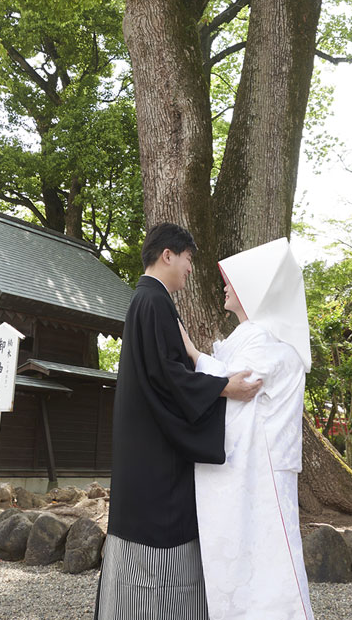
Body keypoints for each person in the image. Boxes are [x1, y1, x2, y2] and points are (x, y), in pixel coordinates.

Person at [95, 222, 263, 620]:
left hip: (145, 446)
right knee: (161, 537)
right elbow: (168, 379)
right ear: (167, 254)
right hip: (155, 455)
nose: (190, 269)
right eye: (188, 259)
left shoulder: (150, 302)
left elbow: (168, 371)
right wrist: (225, 388)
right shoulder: (152, 303)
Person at [180, 237, 315, 620]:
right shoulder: (261, 338)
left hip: (260, 469)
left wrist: (193, 355)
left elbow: (238, 384)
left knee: (263, 558)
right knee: (257, 555)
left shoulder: (265, 340)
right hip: (259, 466)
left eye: (233, 281)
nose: (224, 286)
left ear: (255, 291)